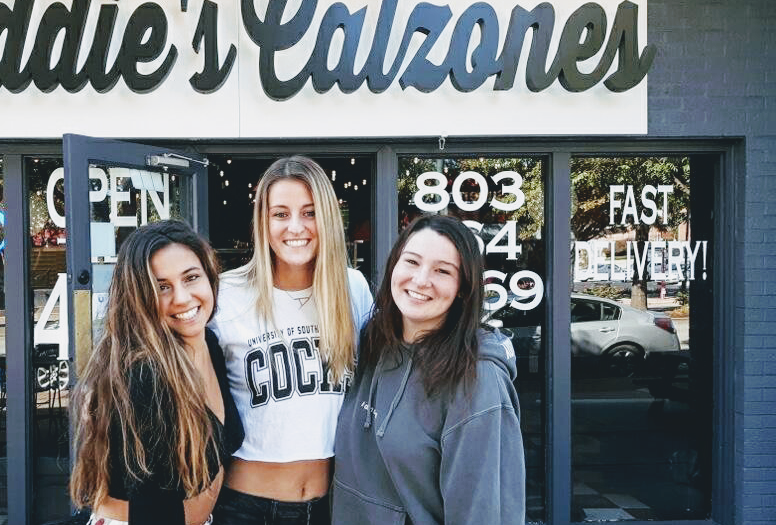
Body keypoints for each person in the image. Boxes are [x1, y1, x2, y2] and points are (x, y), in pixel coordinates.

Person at [332, 214, 525, 525]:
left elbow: (484, 513)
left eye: (442, 271)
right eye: (412, 261)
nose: (421, 280)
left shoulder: (477, 379)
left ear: (463, 287)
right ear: (394, 265)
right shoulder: (372, 342)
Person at [211, 156, 373, 525]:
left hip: (331, 506)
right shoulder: (227, 294)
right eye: (280, 214)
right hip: (246, 508)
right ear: (263, 222)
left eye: (310, 212)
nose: (295, 227)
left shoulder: (353, 289)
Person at [70, 220, 244, 525]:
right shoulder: (145, 376)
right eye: (161, 287)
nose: (182, 298)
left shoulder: (209, 344)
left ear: (210, 276)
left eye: (191, 277)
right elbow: (154, 513)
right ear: (138, 298)